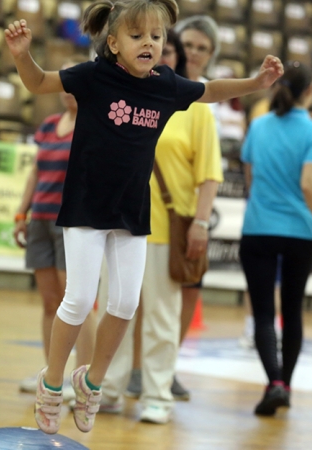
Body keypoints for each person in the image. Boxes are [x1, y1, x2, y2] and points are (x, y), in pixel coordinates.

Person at [4, 0, 283, 434]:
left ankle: (92, 381)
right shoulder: (94, 77)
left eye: (156, 36)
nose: (149, 43)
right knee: (77, 300)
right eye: (138, 36)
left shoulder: (165, 86)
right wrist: (23, 56)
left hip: (132, 211)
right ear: (113, 43)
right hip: (85, 207)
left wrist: (257, 82)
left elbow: (211, 90)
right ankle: (53, 383)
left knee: (126, 303)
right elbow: (40, 83)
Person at [100, 27, 222, 424]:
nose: (158, 54)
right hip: (120, 222)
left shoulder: (197, 107)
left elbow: (210, 173)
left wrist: (201, 222)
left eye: (168, 49)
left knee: (161, 317)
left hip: (165, 228)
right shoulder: (125, 92)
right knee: (117, 311)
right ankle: (110, 389)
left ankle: (156, 394)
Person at [239, 61, 312, 417]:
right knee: (292, 312)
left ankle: (273, 382)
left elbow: (249, 175)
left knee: (263, 313)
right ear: (309, 91)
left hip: (258, 228)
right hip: (298, 233)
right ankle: (285, 386)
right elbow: (309, 184)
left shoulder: (259, 126)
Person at [13, 58, 96, 400]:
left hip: (72, 224)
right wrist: (22, 212)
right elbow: (36, 172)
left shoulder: (94, 124)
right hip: (41, 222)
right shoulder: (48, 125)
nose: (67, 89)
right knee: (50, 303)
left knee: (77, 301)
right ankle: (53, 374)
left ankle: (83, 378)